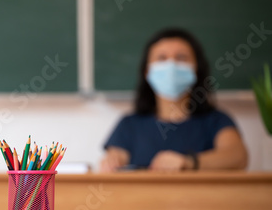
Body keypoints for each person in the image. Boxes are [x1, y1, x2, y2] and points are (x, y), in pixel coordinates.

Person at [100, 28, 248, 172]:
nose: (171, 65)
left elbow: (237, 156)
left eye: (181, 57)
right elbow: (117, 156)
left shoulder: (216, 121)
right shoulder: (129, 124)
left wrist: (188, 162)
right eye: (161, 58)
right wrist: (113, 161)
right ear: (147, 71)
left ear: (196, 68)